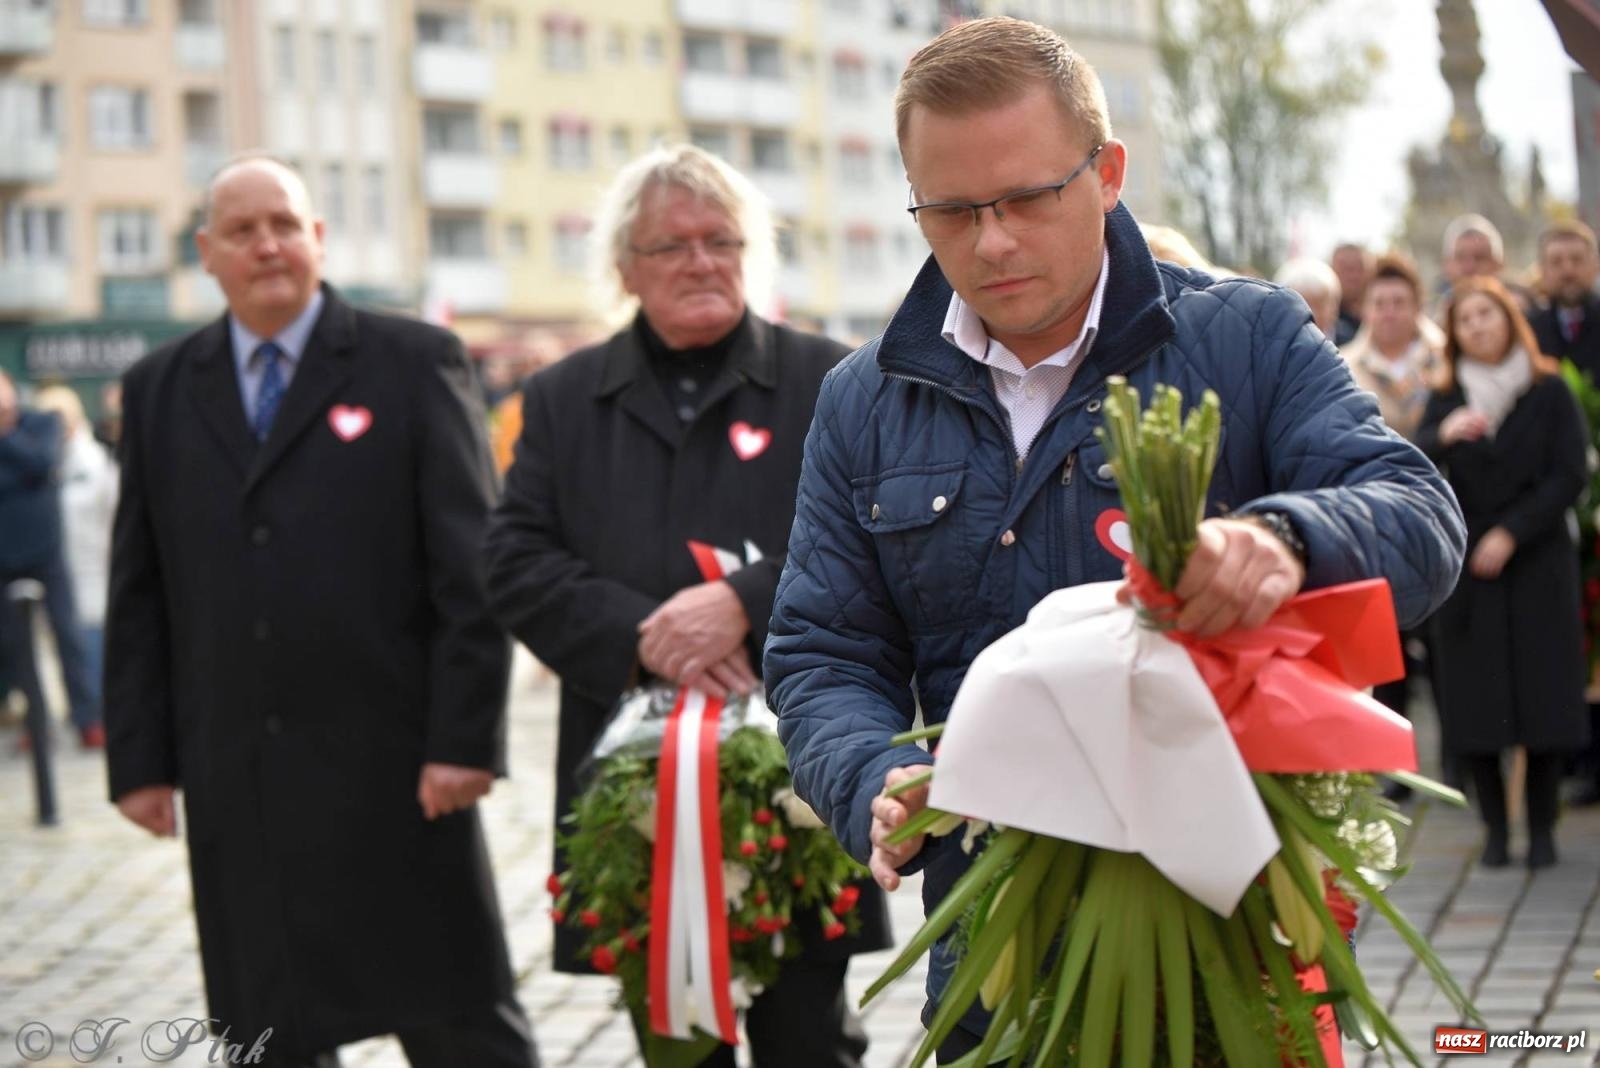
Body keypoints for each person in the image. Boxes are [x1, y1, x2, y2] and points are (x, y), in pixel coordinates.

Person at [763, 17, 1465, 1059]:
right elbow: (824, 650)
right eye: (951, 211)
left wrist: (1285, 541)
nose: (991, 241)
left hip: (1236, 935)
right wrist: (869, 776)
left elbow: (1417, 515)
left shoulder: (1246, 335)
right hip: (994, 951)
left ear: (1108, 173)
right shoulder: (862, 401)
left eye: (1026, 198)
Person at [104, 156, 538, 1068]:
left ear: (318, 238)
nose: (267, 246)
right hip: (242, 785)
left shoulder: (414, 362)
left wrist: (464, 741)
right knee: (270, 1034)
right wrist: (140, 763)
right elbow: (138, 588)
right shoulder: (159, 388)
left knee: (462, 1030)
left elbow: (471, 575)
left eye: (284, 225)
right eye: (242, 231)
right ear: (206, 253)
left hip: (401, 775)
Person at [484, 144, 890, 1068]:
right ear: (624, 266)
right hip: (633, 788)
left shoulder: (832, 380)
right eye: (672, 245)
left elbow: (878, 536)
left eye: (722, 240)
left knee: (811, 1044)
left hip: (801, 764)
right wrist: (644, 633)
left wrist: (744, 600)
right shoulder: (560, 398)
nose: (701, 261)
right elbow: (511, 560)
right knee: (675, 1042)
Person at [1416, 276, 1590, 869]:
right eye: (1465, 320)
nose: (1477, 326)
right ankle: (1494, 829)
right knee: (1477, 703)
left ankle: (1541, 829)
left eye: (1486, 314)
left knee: (1544, 701)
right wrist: (1441, 436)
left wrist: (1513, 532)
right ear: (1455, 336)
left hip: (1538, 561)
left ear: (1508, 321)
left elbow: (1570, 474)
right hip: (1471, 571)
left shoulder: (1548, 389)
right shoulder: (1446, 398)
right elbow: (1412, 465)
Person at [1338, 254, 1448, 797]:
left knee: (1448, 651)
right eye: (1380, 303)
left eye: (1399, 302)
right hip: (1376, 520)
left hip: (1446, 516)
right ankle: (1395, 766)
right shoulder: (1343, 364)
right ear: (1366, 309)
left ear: (1415, 307)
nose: (1389, 312)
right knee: (1390, 650)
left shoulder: (1445, 358)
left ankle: (1458, 759)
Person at [1528, 221, 1600, 805]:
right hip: (1550, 506)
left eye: (1577, 258)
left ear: (1592, 263)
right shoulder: (1529, 333)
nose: (1568, 269)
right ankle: (1570, 756)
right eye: (1557, 260)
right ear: (1543, 268)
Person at [0, 369, 104, 748]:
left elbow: (41, 462)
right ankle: (36, 724)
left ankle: (87, 718)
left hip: (47, 552)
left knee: (68, 637)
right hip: (5, 558)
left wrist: (5, 435)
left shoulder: (42, 423)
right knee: (18, 647)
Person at [33, 386, 118, 716]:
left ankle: (96, 714)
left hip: (94, 571)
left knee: (92, 649)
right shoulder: (45, 462)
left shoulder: (96, 462)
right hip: (55, 570)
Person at [1274, 257, 1341, 339]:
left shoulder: (1349, 338)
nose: (1312, 313)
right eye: (1303, 304)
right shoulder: (1271, 342)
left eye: (1319, 305)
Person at [1330, 242, 1372, 346]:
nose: (1353, 276)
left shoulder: (1383, 315)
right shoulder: (1322, 320)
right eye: (1345, 269)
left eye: (1359, 268)